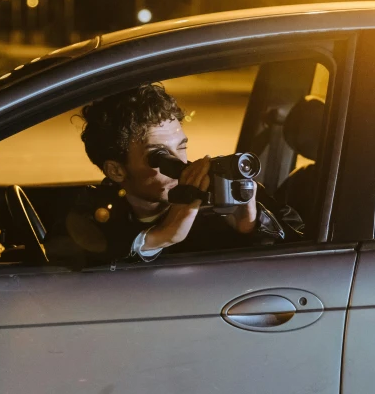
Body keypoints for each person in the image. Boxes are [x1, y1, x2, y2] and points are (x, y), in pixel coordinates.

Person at [64, 83, 302, 265]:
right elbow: (72, 266)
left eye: (182, 147)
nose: (180, 163)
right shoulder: (91, 209)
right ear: (116, 170)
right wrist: (160, 237)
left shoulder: (225, 193)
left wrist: (251, 225)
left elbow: (309, 254)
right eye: (159, 156)